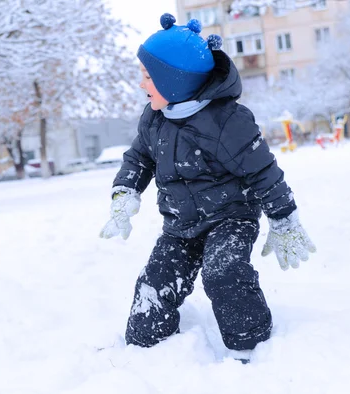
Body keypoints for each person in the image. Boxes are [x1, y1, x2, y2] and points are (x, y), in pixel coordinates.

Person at [99, 14, 316, 363]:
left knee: (223, 273)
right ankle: (143, 351)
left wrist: (284, 218)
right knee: (154, 282)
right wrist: (125, 192)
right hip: (180, 226)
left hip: (230, 218)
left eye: (148, 76)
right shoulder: (155, 118)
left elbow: (263, 171)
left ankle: (250, 346)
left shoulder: (226, 120)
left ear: (175, 80)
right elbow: (138, 158)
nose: (142, 84)